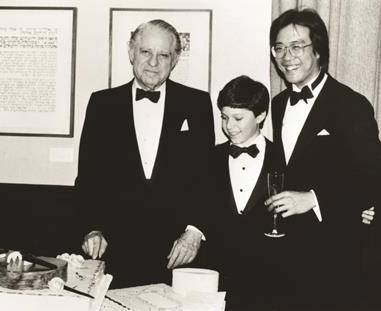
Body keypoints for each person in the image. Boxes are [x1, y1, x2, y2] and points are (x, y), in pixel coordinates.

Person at [265, 8, 381, 310]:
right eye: (279, 48)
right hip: (284, 252)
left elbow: (375, 181)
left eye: (297, 46)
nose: (286, 56)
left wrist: (313, 198)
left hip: (332, 254)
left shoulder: (351, 106)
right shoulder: (278, 103)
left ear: (319, 51)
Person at [75, 19, 214, 288]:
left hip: (178, 254)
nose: (153, 62)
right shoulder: (102, 105)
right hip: (115, 252)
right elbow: (88, 178)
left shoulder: (197, 104)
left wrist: (195, 232)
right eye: (145, 52)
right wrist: (92, 228)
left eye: (163, 55)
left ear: (174, 60)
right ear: (131, 52)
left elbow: (207, 177)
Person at [207, 75, 280, 310]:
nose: (229, 126)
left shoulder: (284, 158)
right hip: (218, 279)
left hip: (268, 281)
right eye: (224, 117)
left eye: (238, 118)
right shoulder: (209, 158)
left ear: (260, 116)